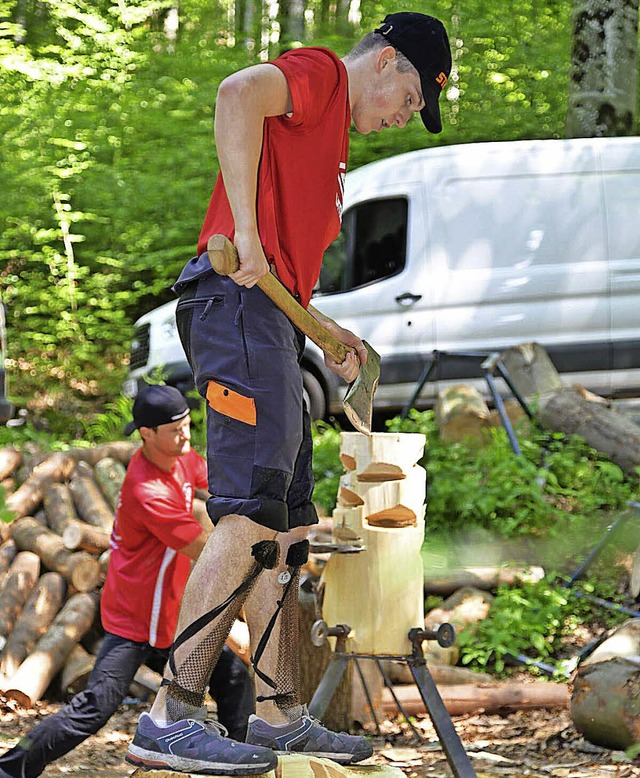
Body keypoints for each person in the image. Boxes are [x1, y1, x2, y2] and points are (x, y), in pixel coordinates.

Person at [126, 11, 452, 775]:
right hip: (232, 309)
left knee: (283, 529)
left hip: (268, 319)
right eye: (409, 100)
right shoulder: (324, 75)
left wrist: (327, 332)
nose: (402, 117)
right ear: (387, 63)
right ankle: (170, 714)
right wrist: (242, 228)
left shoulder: (329, 143)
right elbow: (237, 92)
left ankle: (276, 715)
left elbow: (279, 273)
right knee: (246, 513)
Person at [0, 385, 254, 778]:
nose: (185, 436)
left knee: (234, 680)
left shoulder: (181, 459)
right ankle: (11, 767)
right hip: (135, 622)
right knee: (94, 707)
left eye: (186, 426)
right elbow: (204, 550)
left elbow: (221, 478)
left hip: (167, 616)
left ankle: (242, 764)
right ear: (146, 434)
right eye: (174, 430)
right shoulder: (147, 489)